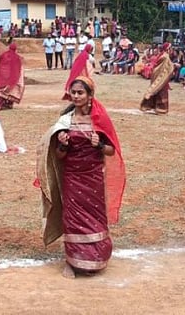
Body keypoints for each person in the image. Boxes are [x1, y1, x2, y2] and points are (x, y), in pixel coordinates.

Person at [37, 76, 126, 278]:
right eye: (73, 92)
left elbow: (111, 151)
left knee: (95, 217)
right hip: (72, 177)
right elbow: (59, 156)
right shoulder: (65, 121)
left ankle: (96, 258)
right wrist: (63, 145)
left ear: (90, 95)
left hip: (93, 178)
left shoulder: (100, 120)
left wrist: (99, 145)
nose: (76, 96)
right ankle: (71, 261)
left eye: (80, 93)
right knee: (72, 218)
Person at [140, 43, 174, 114]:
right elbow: (167, 67)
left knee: (156, 90)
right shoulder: (165, 57)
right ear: (167, 48)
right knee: (162, 92)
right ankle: (161, 108)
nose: (171, 50)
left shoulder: (162, 55)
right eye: (170, 48)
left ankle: (152, 106)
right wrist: (174, 66)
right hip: (161, 76)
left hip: (158, 75)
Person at [0, 43, 25, 110]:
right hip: (13, 76)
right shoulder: (17, 57)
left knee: (2, 90)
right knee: (12, 89)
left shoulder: (3, 55)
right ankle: (8, 104)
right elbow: (18, 67)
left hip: (3, 76)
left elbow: (0, 64)